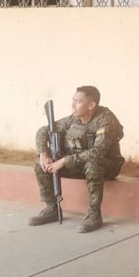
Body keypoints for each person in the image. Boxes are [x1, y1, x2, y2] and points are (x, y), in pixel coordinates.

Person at [28, 85, 125, 233]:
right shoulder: (73, 119)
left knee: (93, 163)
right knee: (39, 164)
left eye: (78, 101)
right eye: (73, 100)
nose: (73, 105)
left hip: (107, 166)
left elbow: (98, 152)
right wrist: (43, 154)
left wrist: (64, 161)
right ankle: (51, 208)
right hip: (80, 164)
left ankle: (94, 214)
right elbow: (43, 131)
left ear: (91, 105)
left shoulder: (106, 120)